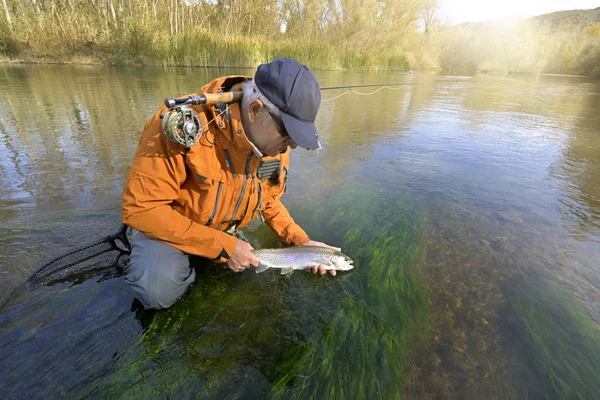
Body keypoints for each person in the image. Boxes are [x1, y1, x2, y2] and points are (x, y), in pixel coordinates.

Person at [121, 58, 341, 309]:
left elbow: (268, 201)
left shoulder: (274, 142)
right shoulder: (179, 126)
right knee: (156, 292)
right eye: (288, 134)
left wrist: (302, 245)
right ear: (255, 109)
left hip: (223, 231)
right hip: (168, 224)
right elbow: (142, 209)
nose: (292, 145)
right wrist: (225, 247)